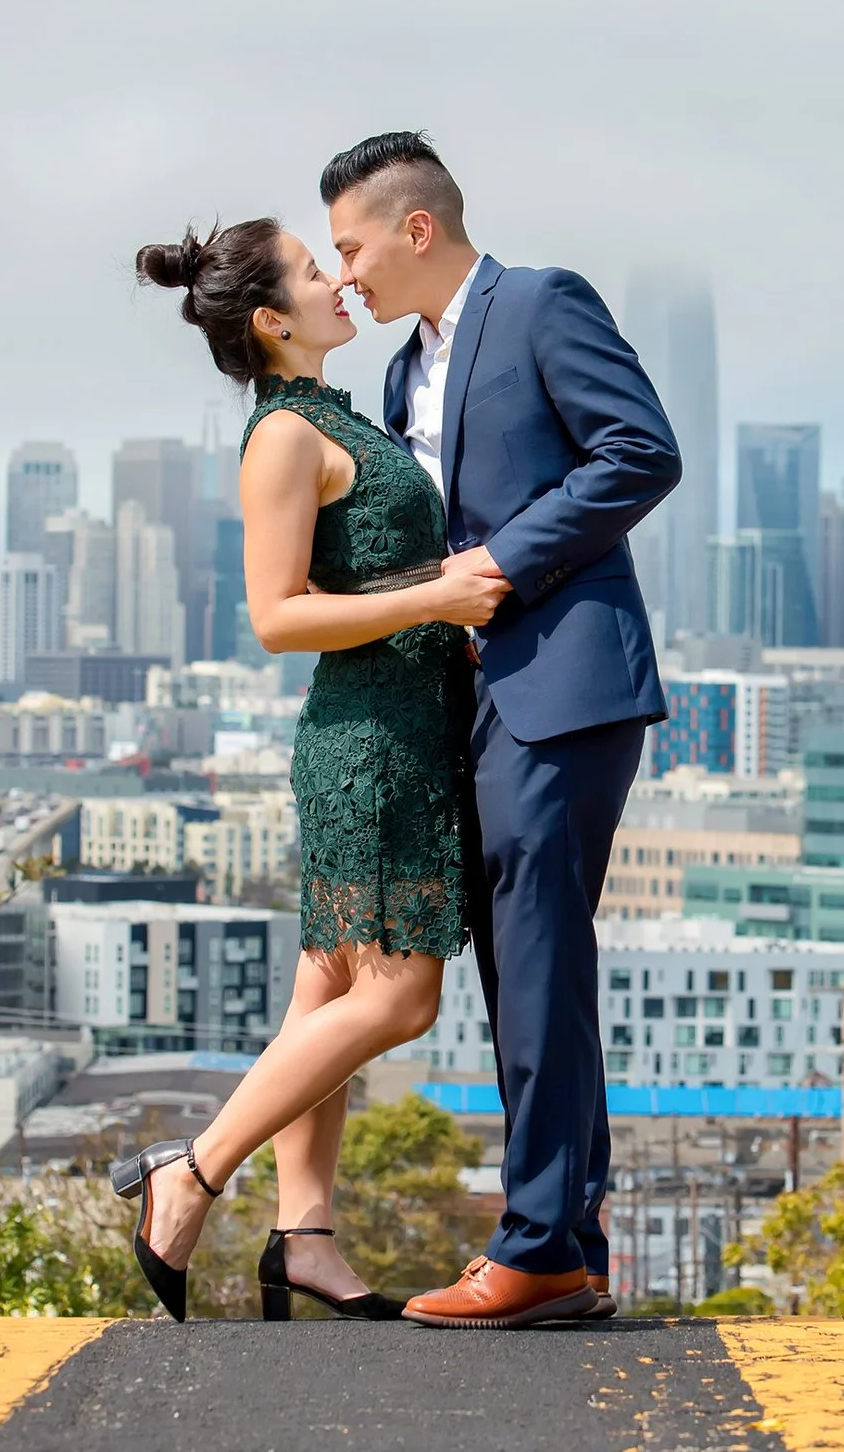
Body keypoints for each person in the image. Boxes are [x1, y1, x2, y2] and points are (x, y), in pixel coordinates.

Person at [110, 216, 507, 1322]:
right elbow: (277, 615)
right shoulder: (283, 434)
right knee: (400, 995)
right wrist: (437, 596)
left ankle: (305, 1237)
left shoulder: (337, 414)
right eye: (317, 268)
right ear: (275, 319)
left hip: (400, 730)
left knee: (328, 989)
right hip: (370, 748)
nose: (343, 281)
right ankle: (186, 1175)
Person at [322, 132, 681, 1329]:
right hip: (472, 696)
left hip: (563, 682)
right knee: (524, 961)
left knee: (531, 954)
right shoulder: (397, 377)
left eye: (352, 245)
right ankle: (566, 1244)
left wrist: (499, 560)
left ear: (415, 228)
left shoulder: (537, 306)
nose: (345, 275)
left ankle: (536, 1245)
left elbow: (642, 448)